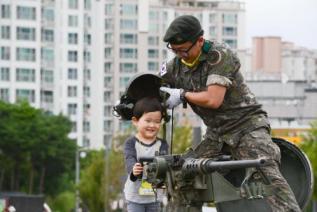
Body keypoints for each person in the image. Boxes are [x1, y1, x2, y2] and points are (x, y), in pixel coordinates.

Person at [159, 15, 301, 212]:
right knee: (184, 173)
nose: (180, 55)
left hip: (247, 126)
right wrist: (133, 102)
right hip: (217, 135)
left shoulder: (220, 56)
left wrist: (182, 94)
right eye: (175, 51)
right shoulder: (175, 67)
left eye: (184, 50)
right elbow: (155, 89)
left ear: (200, 41)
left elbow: (213, 99)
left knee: (264, 169)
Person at [123, 97, 168, 212]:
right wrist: (134, 169)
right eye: (148, 121)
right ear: (135, 121)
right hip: (135, 197)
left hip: (154, 197)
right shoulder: (131, 143)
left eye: (157, 122)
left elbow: (165, 161)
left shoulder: (162, 144)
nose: (152, 125)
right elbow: (129, 159)